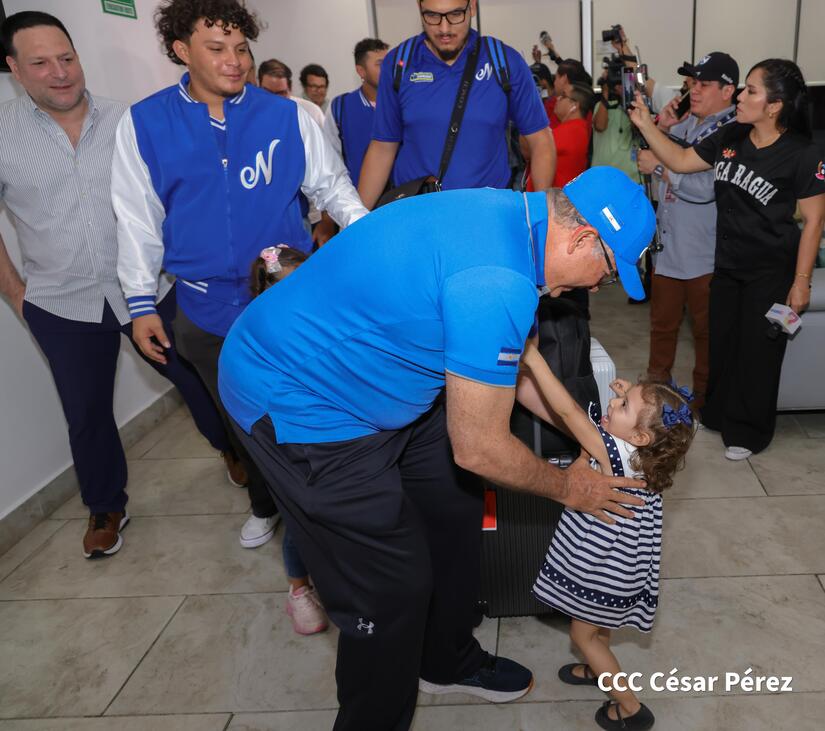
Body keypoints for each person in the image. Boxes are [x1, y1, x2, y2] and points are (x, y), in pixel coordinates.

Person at [217, 166, 656, 731]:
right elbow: (479, 447)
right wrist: (570, 487)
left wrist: (594, 445)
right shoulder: (496, 278)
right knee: (388, 593)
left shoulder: (514, 218)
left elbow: (510, 369)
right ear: (582, 239)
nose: (597, 288)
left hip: (387, 384)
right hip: (301, 402)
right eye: (608, 272)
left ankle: (442, 659)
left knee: (454, 508)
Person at [112, 0, 367, 551]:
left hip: (284, 296)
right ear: (181, 51)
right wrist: (139, 303)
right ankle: (264, 502)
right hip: (203, 309)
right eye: (216, 49)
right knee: (238, 418)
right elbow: (137, 220)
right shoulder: (144, 124)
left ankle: (318, 516)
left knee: (305, 407)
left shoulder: (290, 115)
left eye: (241, 48)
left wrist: (372, 240)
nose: (235, 61)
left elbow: (333, 188)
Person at [0, 11, 238, 559]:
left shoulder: (131, 121)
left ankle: (233, 451)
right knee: (83, 412)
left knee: (199, 382)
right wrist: (17, 293)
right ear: (14, 68)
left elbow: (177, 198)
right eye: (40, 63)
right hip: (60, 302)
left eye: (67, 57)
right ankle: (105, 505)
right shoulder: (5, 136)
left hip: (150, 289)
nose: (60, 73)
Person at [630, 58, 825, 459]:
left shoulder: (803, 154)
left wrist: (801, 281)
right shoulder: (731, 135)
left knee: (758, 353)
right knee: (722, 345)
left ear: (774, 106)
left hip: (770, 271)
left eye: (751, 90)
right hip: (727, 264)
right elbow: (683, 162)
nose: (741, 95)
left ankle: (749, 433)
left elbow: (814, 221)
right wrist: (648, 126)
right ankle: (718, 416)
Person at [524, 348, 695, 731]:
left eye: (622, 404)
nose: (614, 401)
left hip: (599, 567)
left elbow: (568, 414)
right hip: (624, 567)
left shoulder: (611, 450)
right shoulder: (645, 456)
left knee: (583, 635)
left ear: (639, 434)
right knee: (599, 624)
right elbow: (628, 423)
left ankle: (630, 707)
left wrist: (534, 362)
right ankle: (594, 667)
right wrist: (630, 394)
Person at [357, 0, 555, 208]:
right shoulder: (399, 64)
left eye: (455, 14)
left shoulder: (504, 61)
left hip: (486, 213)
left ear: (472, 7)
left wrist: (540, 214)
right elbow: (382, 146)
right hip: (418, 212)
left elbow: (540, 139)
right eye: (432, 16)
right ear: (419, 8)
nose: (444, 29)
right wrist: (355, 222)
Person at [636, 53, 738, 409]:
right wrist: (659, 131)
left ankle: (704, 403)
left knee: (706, 334)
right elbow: (651, 160)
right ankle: (654, 396)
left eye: (704, 85)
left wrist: (663, 169)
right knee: (661, 327)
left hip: (704, 252)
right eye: (692, 84)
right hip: (670, 246)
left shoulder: (733, 132)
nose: (694, 91)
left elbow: (705, 190)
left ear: (728, 91)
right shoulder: (685, 126)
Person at [248, 245, 329, 635]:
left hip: (328, 434)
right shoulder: (259, 336)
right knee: (300, 516)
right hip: (285, 437)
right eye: (285, 289)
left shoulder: (331, 320)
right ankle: (299, 589)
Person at [323, 38, 389, 186]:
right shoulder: (341, 107)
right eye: (380, 64)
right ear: (361, 71)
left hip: (404, 198)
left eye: (389, 62)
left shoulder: (404, 103)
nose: (388, 69)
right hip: (359, 200)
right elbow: (330, 160)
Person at [258, 58, 325, 128]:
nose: (274, 99)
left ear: (290, 89)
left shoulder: (311, 113)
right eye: (268, 92)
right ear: (258, 88)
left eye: (281, 93)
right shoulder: (250, 114)